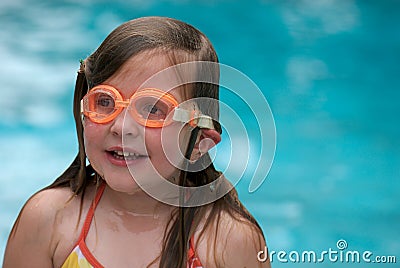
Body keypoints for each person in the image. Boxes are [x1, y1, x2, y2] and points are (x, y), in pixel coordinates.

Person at [3, 16, 271, 268]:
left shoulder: (229, 241)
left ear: (200, 141)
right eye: (105, 102)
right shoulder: (50, 220)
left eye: (154, 109)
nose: (121, 127)